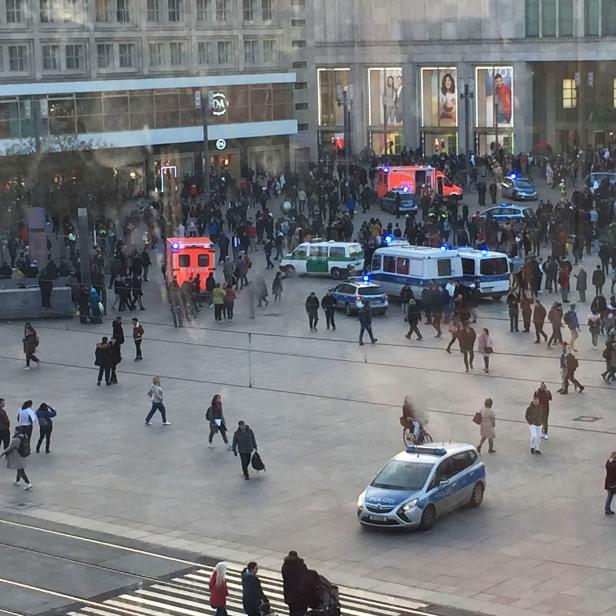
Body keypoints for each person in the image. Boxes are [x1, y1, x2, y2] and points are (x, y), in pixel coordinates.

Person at [0, 426, 32, 490]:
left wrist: (2, 454)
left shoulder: (16, 439)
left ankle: (28, 483)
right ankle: (17, 480)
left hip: (18, 456)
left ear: (17, 431)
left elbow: (10, 448)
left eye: (15, 431)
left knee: (21, 470)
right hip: (23, 454)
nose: (14, 432)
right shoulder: (24, 436)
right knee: (19, 468)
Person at [282, 550, 309, 616]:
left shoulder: (285, 566)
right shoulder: (302, 566)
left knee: (292, 611)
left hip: (289, 593)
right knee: (301, 611)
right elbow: (306, 577)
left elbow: (284, 577)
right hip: (301, 593)